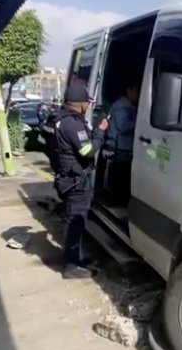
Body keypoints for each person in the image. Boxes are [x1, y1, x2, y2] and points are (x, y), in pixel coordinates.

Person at [54, 82, 108, 279]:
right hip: (76, 183)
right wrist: (100, 132)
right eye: (86, 102)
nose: (87, 106)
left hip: (72, 180)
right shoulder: (72, 123)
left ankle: (76, 258)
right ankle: (71, 266)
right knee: (75, 223)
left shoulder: (66, 120)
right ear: (80, 104)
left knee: (75, 221)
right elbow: (86, 151)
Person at [102, 85, 139, 204]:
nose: (138, 95)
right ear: (129, 90)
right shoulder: (122, 107)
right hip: (119, 149)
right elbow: (123, 126)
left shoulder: (126, 106)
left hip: (122, 148)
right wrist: (139, 122)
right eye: (136, 91)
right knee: (120, 179)